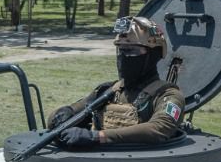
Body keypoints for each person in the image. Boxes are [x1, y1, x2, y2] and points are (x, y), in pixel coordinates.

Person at [51, 15, 185, 149]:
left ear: (153, 54)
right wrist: (62, 114)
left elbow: (158, 129)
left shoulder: (168, 96)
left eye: (131, 50)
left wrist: (97, 137)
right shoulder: (109, 91)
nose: (124, 57)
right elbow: (73, 110)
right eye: (121, 50)